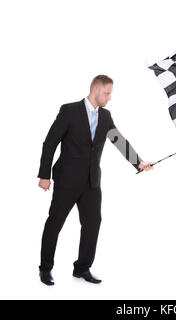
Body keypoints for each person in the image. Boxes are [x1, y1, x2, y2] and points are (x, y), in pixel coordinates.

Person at [37, 75, 153, 285]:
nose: (109, 98)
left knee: (93, 223)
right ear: (95, 90)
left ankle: (82, 268)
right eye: (107, 93)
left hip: (92, 182)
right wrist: (44, 175)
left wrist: (139, 163)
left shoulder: (106, 116)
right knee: (55, 223)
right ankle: (45, 269)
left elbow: (119, 140)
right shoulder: (69, 111)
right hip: (66, 180)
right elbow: (50, 143)